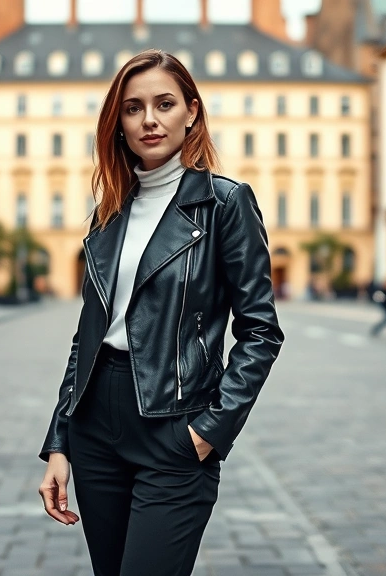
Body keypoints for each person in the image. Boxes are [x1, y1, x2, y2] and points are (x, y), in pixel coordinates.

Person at [37, 50, 284, 576]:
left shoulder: (225, 204)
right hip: (95, 426)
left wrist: (209, 432)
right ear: (118, 122)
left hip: (175, 426)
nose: (149, 119)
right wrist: (59, 441)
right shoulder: (109, 211)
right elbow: (88, 337)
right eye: (133, 108)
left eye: (164, 104)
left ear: (191, 112)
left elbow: (261, 332)